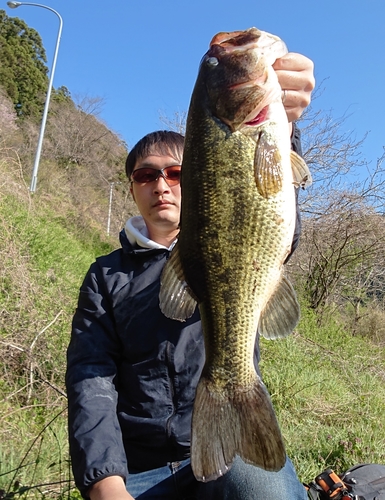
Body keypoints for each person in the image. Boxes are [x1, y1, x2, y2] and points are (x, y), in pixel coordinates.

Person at [66, 52, 315, 500]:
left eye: (176, 173)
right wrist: (105, 480)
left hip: (232, 461)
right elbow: (91, 376)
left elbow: (274, 217)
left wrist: (287, 128)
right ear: (131, 189)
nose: (161, 185)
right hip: (137, 473)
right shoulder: (105, 276)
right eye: (146, 175)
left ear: (200, 176)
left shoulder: (235, 234)